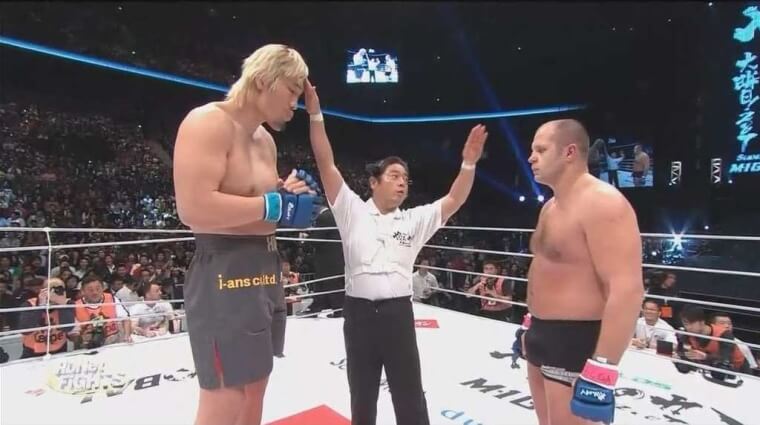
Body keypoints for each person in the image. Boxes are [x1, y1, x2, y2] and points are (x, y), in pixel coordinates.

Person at [303, 79, 487, 425]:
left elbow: (454, 199)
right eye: (394, 175)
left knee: (409, 394)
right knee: (362, 395)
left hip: (398, 314)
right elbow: (326, 163)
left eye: (406, 178)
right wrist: (315, 114)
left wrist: (468, 164)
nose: (402, 182)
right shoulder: (351, 209)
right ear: (374, 182)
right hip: (358, 314)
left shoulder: (415, 219)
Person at [172, 44, 320, 425]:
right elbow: (193, 207)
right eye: (291, 90)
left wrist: (286, 199)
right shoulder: (207, 123)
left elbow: (261, 209)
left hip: (264, 266)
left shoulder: (265, 141)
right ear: (263, 81)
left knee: (256, 385)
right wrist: (271, 206)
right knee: (226, 394)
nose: (295, 104)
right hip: (224, 271)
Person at [522, 119, 644, 425]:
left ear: (570, 152)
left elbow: (627, 290)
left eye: (541, 150)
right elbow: (549, 269)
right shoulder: (550, 207)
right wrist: (530, 323)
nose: (531, 158)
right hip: (541, 334)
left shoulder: (603, 203)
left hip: (576, 341)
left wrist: (603, 368)